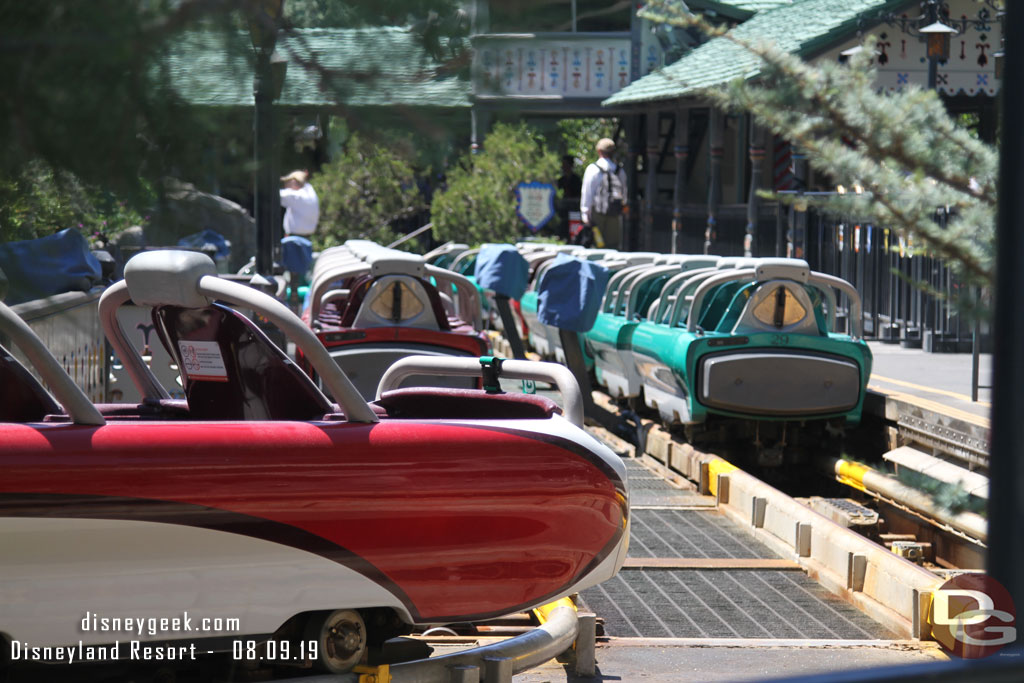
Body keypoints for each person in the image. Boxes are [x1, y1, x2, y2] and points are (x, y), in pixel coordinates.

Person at [580, 138, 627, 249]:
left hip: (597, 214)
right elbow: (624, 194)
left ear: (599, 151)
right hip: (614, 213)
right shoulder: (620, 171)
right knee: (612, 247)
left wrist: (585, 214)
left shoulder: (592, 169)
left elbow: (587, 193)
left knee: (597, 246)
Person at [279, 170, 319, 237]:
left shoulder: (298, 196)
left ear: (293, 181)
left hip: (294, 238)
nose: (285, 186)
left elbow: (275, 195)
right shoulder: (310, 193)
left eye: (287, 182)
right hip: (307, 237)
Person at [556, 155, 583, 242]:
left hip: (574, 210)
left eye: (566, 164)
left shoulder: (576, 180)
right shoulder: (561, 180)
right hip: (563, 211)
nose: (564, 167)